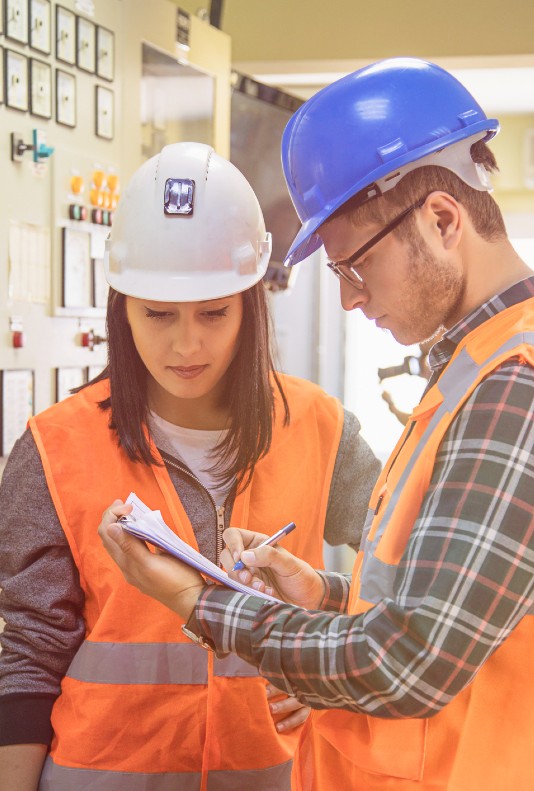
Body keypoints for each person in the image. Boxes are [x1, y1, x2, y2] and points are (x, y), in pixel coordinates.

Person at [98, 59, 534, 791]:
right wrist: (326, 595)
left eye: (354, 267)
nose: (349, 301)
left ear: (441, 219)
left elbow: (411, 660)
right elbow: (452, 610)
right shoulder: (470, 371)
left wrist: (197, 601)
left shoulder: (512, 388)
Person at [0, 142, 381, 790]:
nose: (185, 344)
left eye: (212, 313)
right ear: (122, 305)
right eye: (158, 314)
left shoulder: (323, 429)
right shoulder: (53, 448)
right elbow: (30, 657)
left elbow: (412, 589)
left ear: (251, 303)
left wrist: (338, 673)